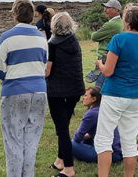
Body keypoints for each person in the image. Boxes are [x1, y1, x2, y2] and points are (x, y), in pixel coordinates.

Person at [95, 4, 138, 177]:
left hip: (114, 93)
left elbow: (108, 71)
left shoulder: (118, 39)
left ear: (127, 20)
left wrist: (100, 64)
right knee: (129, 142)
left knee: (103, 139)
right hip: (137, 96)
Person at [0, 0, 48, 177]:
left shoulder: (7, 37)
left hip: (14, 90)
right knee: (31, 141)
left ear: (15, 14)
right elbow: (43, 62)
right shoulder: (41, 37)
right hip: (39, 90)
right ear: (32, 15)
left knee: (13, 140)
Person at [46, 12, 85, 177]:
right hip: (75, 89)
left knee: (61, 129)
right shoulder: (74, 41)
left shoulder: (53, 44)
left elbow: (47, 71)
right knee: (63, 125)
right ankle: (60, 159)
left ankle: (69, 168)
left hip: (57, 91)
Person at [72, 87, 123, 164]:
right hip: (118, 151)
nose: (83, 98)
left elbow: (77, 137)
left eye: (86, 96)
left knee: (69, 143)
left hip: (109, 154)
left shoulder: (91, 114)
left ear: (93, 99)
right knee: (85, 139)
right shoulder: (104, 110)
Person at [85, 0, 123, 88]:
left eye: (108, 8)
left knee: (100, 85)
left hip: (105, 56)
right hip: (115, 55)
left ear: (116, 10)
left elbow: (94, 37)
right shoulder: (121, 22)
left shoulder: (111, 25)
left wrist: (96, 32)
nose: (105, 10)